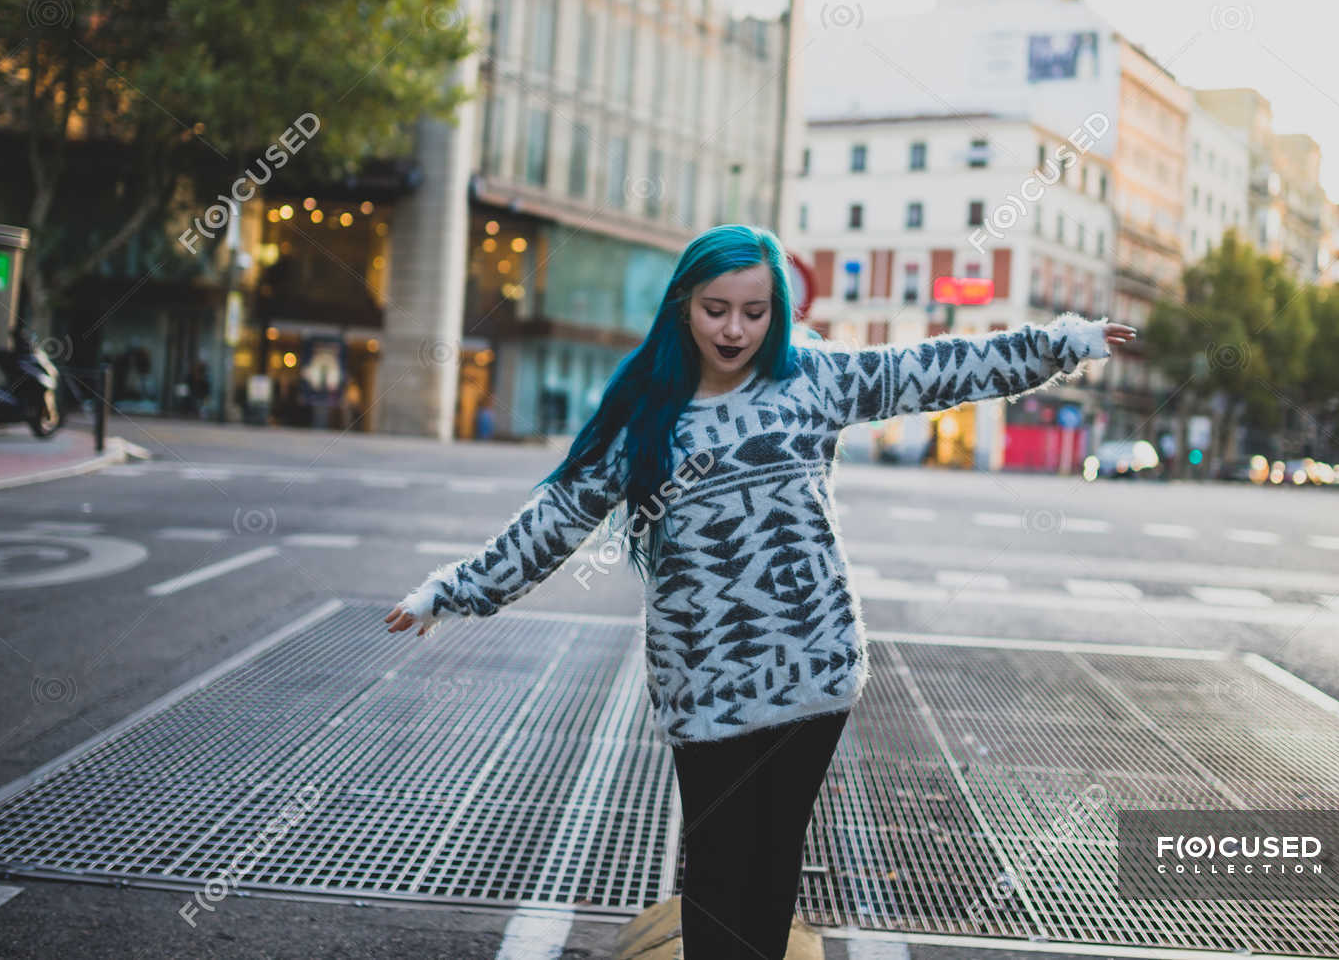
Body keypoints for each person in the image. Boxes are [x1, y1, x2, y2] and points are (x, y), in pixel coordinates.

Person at [384, 224, 1136, 957]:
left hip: (813, 670)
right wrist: (452, 591)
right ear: (684, 306)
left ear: (777, 310)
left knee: (772, 858)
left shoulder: (811, 380)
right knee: (715, 866)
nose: (736, 329)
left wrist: (1062, 344)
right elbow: (555, 519)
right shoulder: (645, 416)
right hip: (703, 683)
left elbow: (936, 368)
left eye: (755, 311)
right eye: (717, 310)